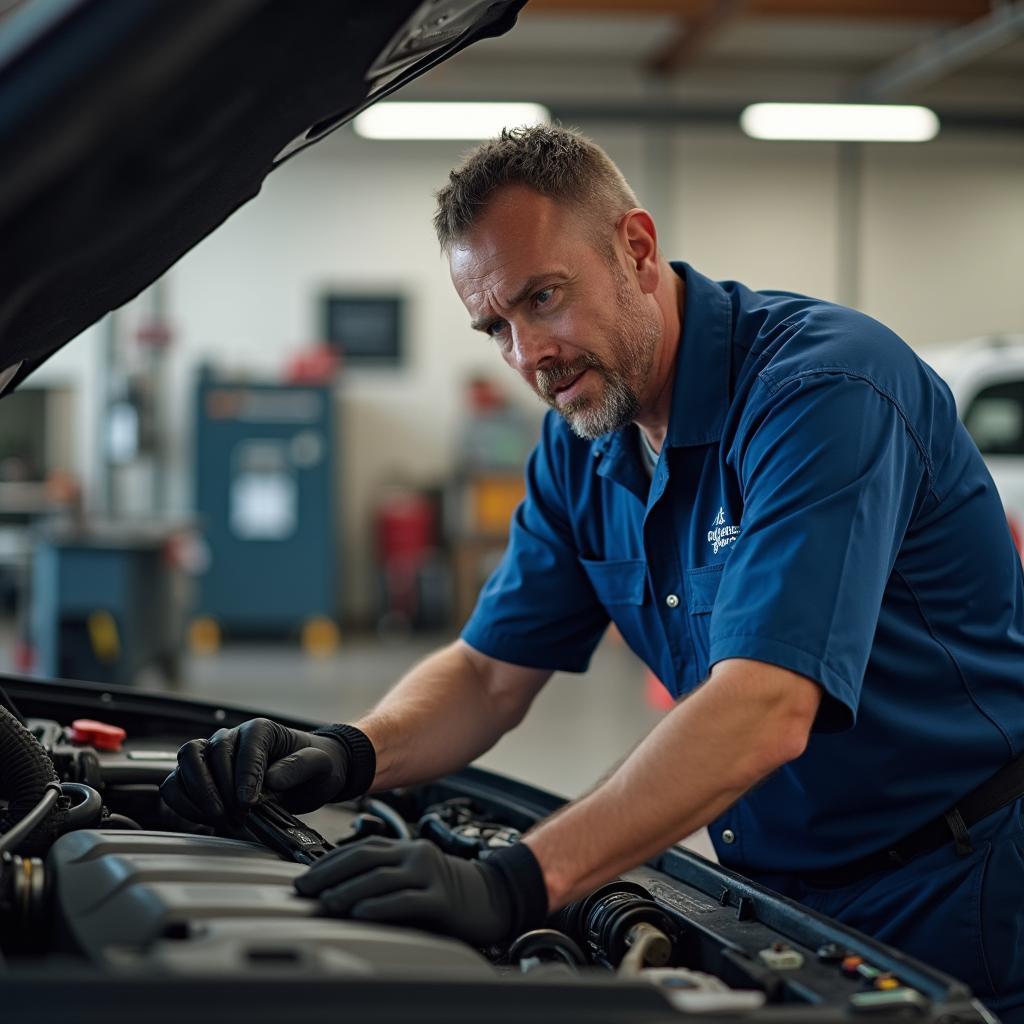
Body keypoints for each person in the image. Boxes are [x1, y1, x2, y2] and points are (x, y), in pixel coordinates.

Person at [162, 126, 1024, 1020]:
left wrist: (512, 885)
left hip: (964, 893)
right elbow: (492, 674)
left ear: (636, 250)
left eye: (545, 298)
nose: (527, 354)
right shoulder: (583, 444)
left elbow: (767, 706)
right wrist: (348, 754)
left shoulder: (823, 391)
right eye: (496, 325)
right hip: (785, 901)